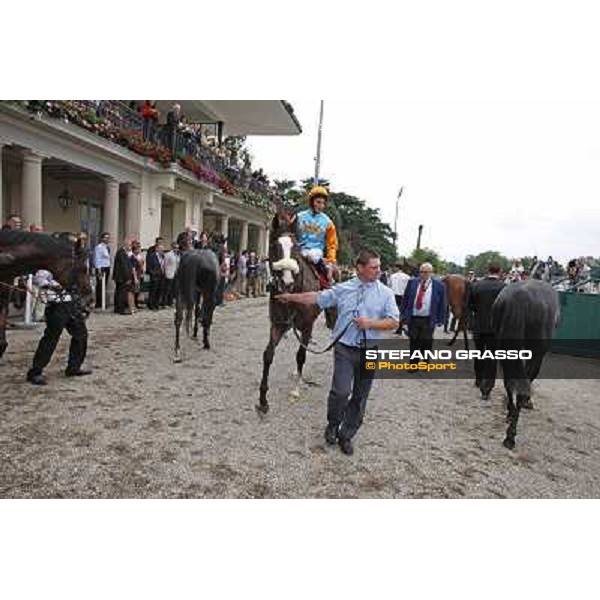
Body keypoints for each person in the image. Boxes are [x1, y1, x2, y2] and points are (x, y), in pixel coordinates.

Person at [276, 249, 399, 456]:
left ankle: (346, 434)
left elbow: (394, 322)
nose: (379, 271)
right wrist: (291, 297)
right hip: (345, 348)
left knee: (360, 396)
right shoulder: (343, 288)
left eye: (379, 267)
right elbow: (316, 297)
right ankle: (333, 424)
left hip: (370, 351)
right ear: (359, 268)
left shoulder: (386, 293)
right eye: (374, 267)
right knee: (341, 392)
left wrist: (370, 323)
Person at [26, 269, 91, 385]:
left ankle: (74, 367)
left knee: (81, 335)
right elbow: (39, 279)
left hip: (72, 304)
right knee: (51, 338)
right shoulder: (51, 264)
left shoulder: (72, 264)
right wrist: (53, 285)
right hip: (56, 306)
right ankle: (35, 372)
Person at [466, 261, 506, 400]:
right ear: (499, 270)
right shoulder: (504, 287)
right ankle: (487, 387)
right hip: (495, 327)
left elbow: (469, 306)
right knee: (491, 357)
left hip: (479, 325)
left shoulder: (476, 285)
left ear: (487, 270)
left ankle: (478, 379)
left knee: (479, 353)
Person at [400, 262, 446, 362]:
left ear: (431, 273)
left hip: (428, 319)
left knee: (427, 342)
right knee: (414, 341)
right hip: (414, 318)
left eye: (426, 272)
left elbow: (442, 304)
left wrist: (441, 319)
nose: (423, 274)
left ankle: (425, 362)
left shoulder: (439, 286)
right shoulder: (412, 282)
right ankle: (413, 364)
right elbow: (405, 299)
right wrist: (403, 315)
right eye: (421, 272)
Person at [292, 186, 338, 285]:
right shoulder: (299, 217)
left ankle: (327, 283)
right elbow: (290, 232)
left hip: (315, 251)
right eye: (318, 202)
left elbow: (332, 244)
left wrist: (331, 260)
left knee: (312, 255)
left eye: (323, 203)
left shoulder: (328, 222)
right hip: (298, 249)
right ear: (312, 202)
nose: (321, 206)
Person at [389, 264, 410, 334]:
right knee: (402, 312)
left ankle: (399, 328)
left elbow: (389, 285)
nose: (394, 268)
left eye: (395, 267)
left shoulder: (392, 276)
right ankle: (400, 327)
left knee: (396, 312)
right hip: (403, 296)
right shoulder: (407, 277)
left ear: (397, 268)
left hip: (394, 296)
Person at [93, 232, 111, 308]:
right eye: (106, 238)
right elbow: (97, 259)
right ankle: (99, 303)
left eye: (108, 238)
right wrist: (99, 270)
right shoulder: (99, 247)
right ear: (102, 238)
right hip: (101, 268)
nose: (107, 239)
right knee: (100, 285)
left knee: (104, 285)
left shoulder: (107, 247)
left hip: (107, 267)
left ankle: (103, 302)